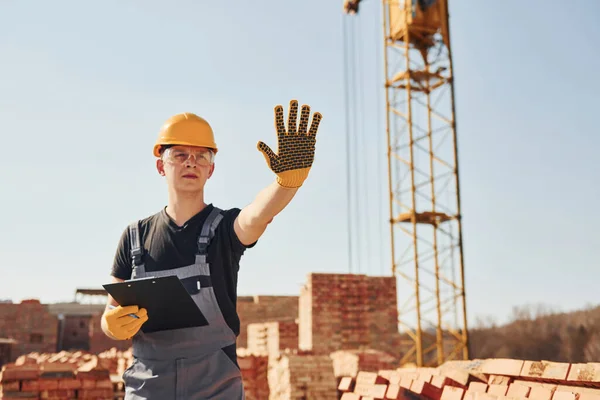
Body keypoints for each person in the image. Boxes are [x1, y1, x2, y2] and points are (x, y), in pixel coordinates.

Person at [100, 99, 323, 399]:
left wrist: (286, 183)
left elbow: (257, 215)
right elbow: (111, 310)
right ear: (160, 165)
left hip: (215, 390)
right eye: (179, 155)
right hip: (148, 390)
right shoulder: (134, 237)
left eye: (201, 156)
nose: (191, 162)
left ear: (211, 170)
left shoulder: (224, 230)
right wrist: (111, 325)